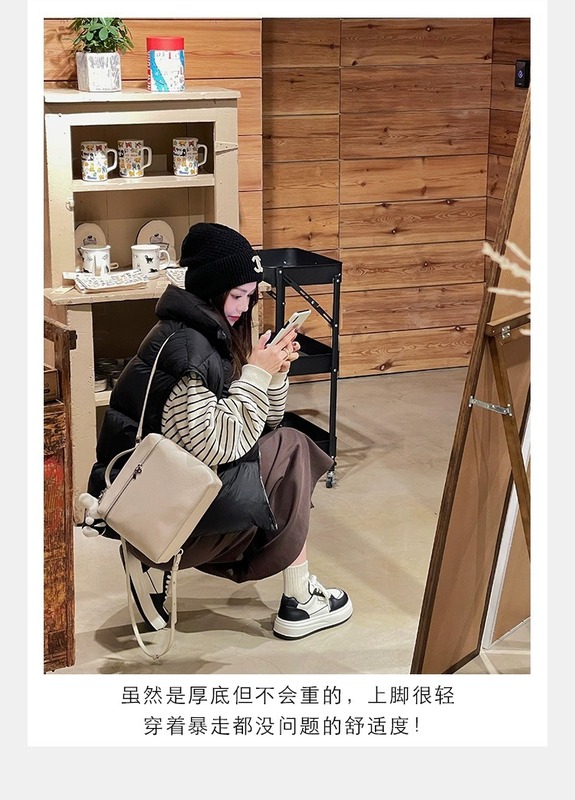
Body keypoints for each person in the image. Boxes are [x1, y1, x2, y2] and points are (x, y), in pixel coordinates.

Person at [85, 222, 352, 640]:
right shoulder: (190, 349)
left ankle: (156, 575)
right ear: (212, 289)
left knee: (283, 448)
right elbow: (218, 445)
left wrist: (273, 374)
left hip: (162, 501)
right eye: (237, 295)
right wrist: (255, 375)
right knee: (293, 449)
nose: (244, 308)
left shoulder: (197, 335)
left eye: (250, 296)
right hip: (165, 517)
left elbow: (260, 423)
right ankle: (300, 600)